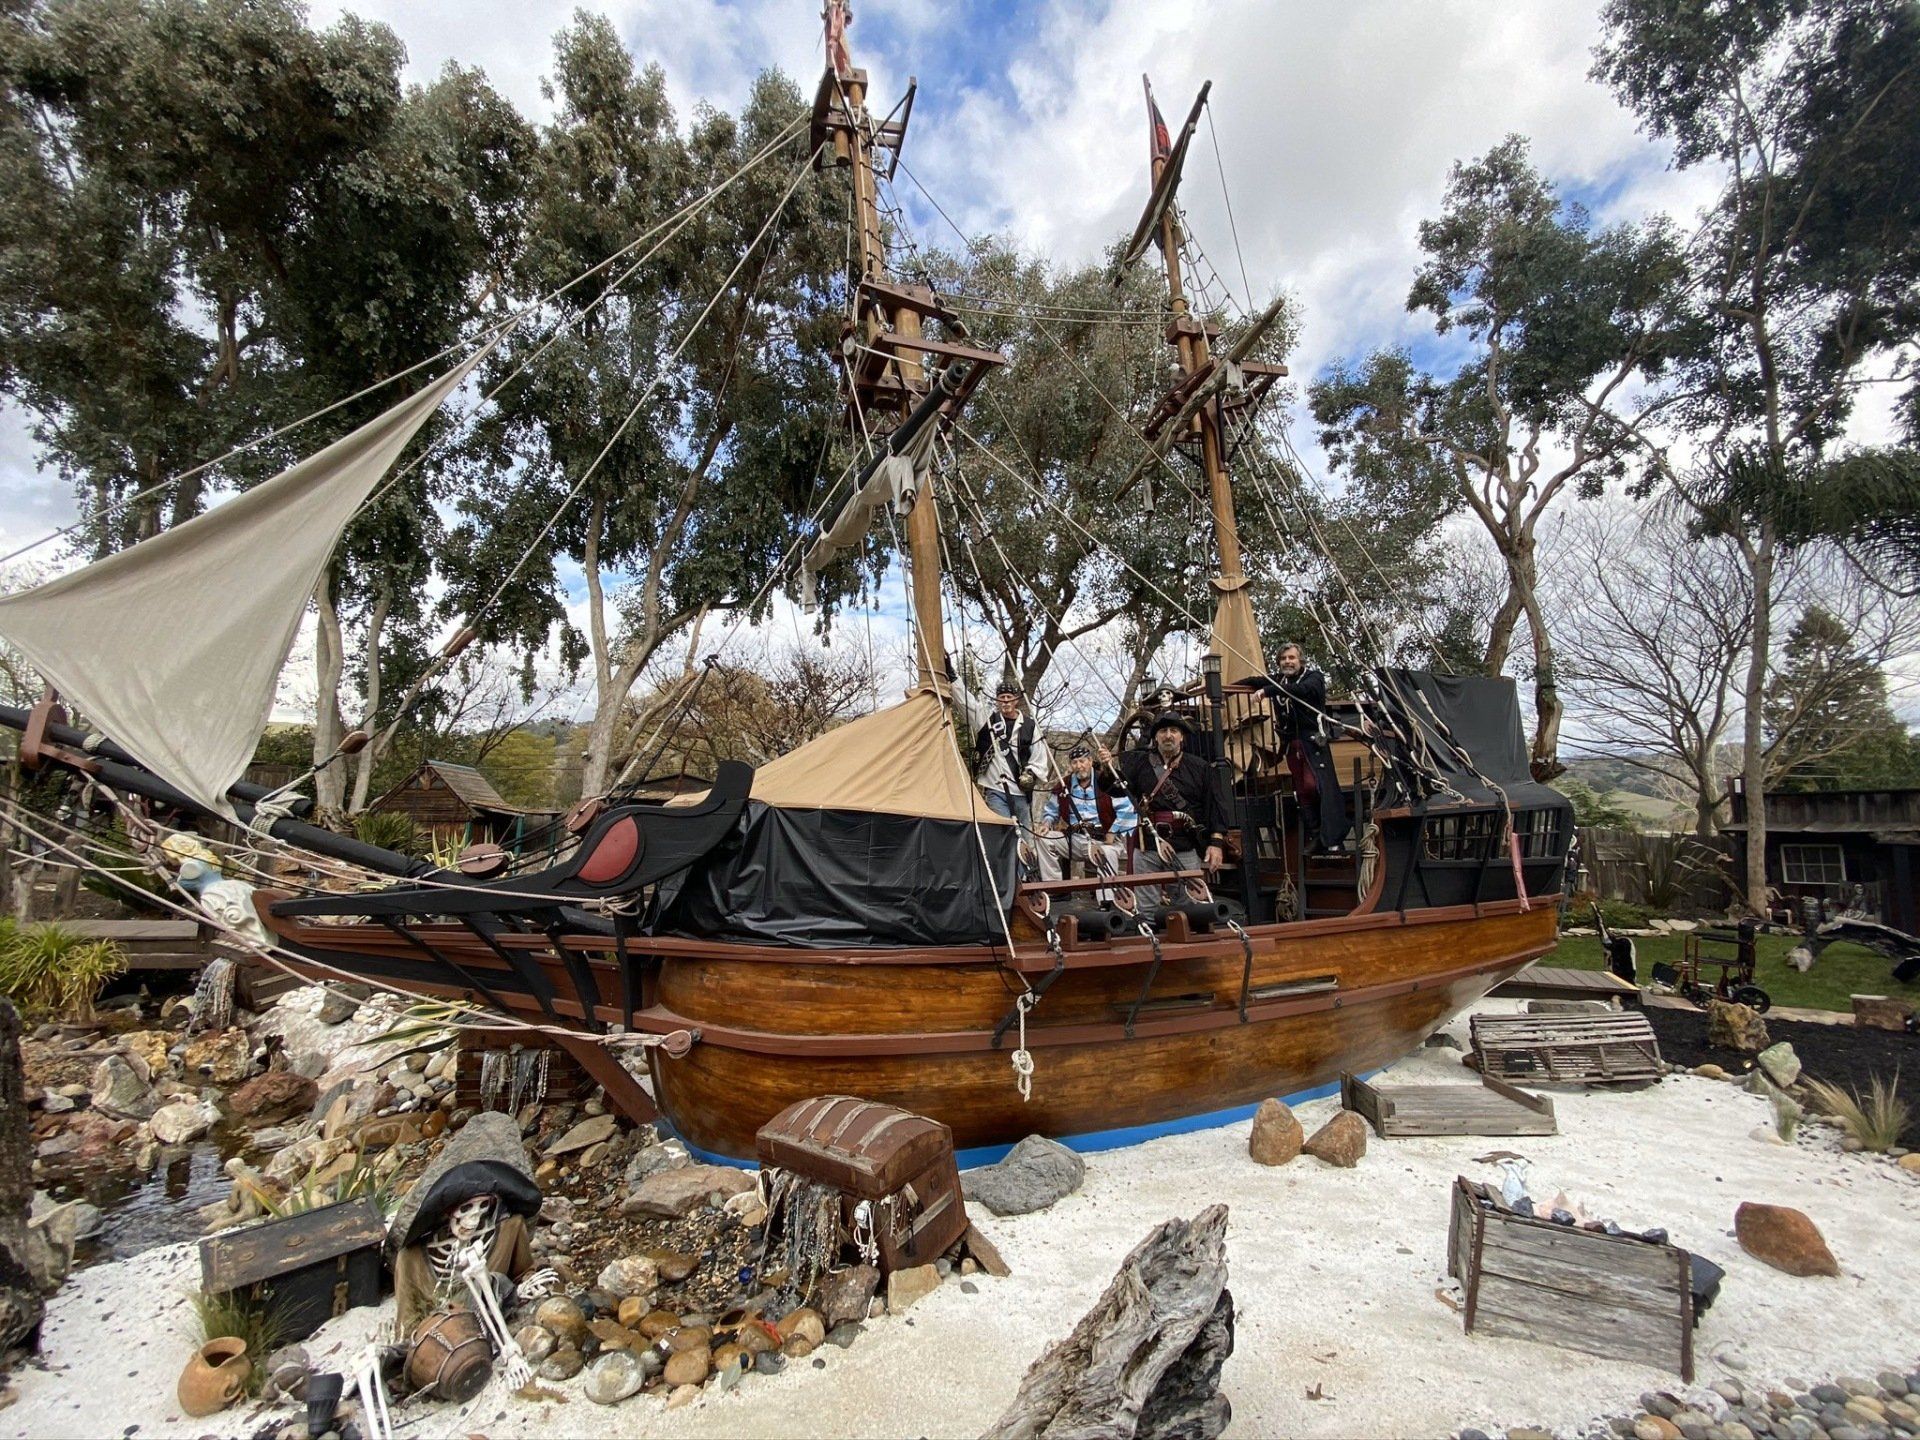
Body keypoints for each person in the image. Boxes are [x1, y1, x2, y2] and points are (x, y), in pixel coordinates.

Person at [1096, 711, 1230, 900]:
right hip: (1148, 845)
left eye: (1173, 730)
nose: (1168, 735)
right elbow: (1120, 788)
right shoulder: (1140, 764)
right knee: (1146, 906)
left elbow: (1215, 806)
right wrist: (1107, 769)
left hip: (1185, 845)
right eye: (1163, 731)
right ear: (1156, 737)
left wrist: (1216, 844)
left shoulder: (1200, 768)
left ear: (1181, 736)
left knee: (1190, 903)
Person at [1255, 643, 1349, 854]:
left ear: (1300, 661)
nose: (1287, 662)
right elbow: (1255, 681)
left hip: (1313, 742)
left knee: (1314, 786)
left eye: (1291, 658)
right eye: (1283, 659)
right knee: (1301, 791)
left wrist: (1266, 691)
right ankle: (1315, 834)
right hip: (1292, 744)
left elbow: (1301, 691)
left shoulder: (1313, 678)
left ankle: (1332, 837)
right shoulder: (1279, 680)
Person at [953, 676, 1053, 874]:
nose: (1005, 701)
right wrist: (954, 677)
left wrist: (1031, 773)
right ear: (997, 701)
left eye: (1009, 697)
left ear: (1016, 700)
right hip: (996, 789)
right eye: (1001, 698)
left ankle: (1026, 878)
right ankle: (1008, 881)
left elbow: (1039, 756)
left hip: (1021, 793)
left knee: (1025, 838)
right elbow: (968, 704)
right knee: (1005, 835)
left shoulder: (1030, 727)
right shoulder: (989, 721)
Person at [1035, 743, 1131, 883]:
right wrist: (1046, 823)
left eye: (1082, 761)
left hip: (1103, 839)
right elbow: (1051, 811)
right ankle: (1054, 887)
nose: (1079, 766)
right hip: (1074, 839)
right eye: (1074, 762)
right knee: (1042, 839)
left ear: (1090, 761)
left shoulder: (1105, 780)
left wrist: (1112, 832)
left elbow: (1126, 808)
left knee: (1107, 853)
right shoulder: (1063, 785)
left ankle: (1107, 900)